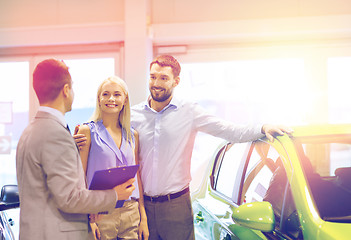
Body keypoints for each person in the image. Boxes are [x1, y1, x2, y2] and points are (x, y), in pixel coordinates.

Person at [75, 55, 292, 240]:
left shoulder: (190, 112)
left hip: (176, 206)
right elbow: (105, 134)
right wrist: (76, 141)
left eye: (163, 78)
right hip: (141, 208)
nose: (156, 83)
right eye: (152, 77)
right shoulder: (134, 116)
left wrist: (262, 127)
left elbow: (229, 130)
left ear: (176, 81)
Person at [16, 59, 135, 240]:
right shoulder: (55, 134)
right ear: (66, 90)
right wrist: (114, 195)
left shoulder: (33, 130)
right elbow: (69, 198)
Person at [75, 76, 149, 240]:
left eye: (117, 94)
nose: (111, 99)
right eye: (106, 94)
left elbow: (137, 177)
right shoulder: (87, 132)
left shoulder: (132, 135)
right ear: (99, 99)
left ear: (125, 99)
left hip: (131, 211)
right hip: (100, 212)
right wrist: (88, 218)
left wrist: (143, 216)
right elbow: (80, 178)